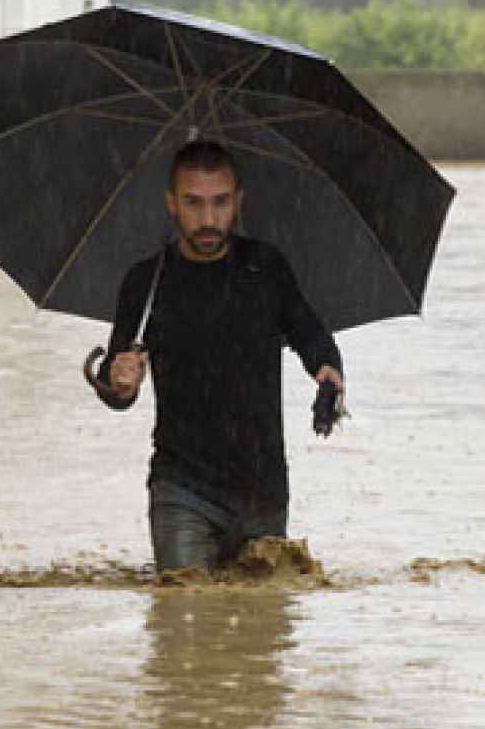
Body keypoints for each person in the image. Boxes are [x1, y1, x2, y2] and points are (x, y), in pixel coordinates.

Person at [92, 140, 345, 574]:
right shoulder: (147, 282)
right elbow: (116, 384)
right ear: (172, 204)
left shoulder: (265, 268)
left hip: (262, 493)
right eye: (193, 203)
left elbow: (312, 336)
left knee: (260, 633)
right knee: (184, 620)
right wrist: (117, 381)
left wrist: (328, 374)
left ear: (238, 200)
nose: (208, 220)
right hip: (182, 488)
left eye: (220, 203)